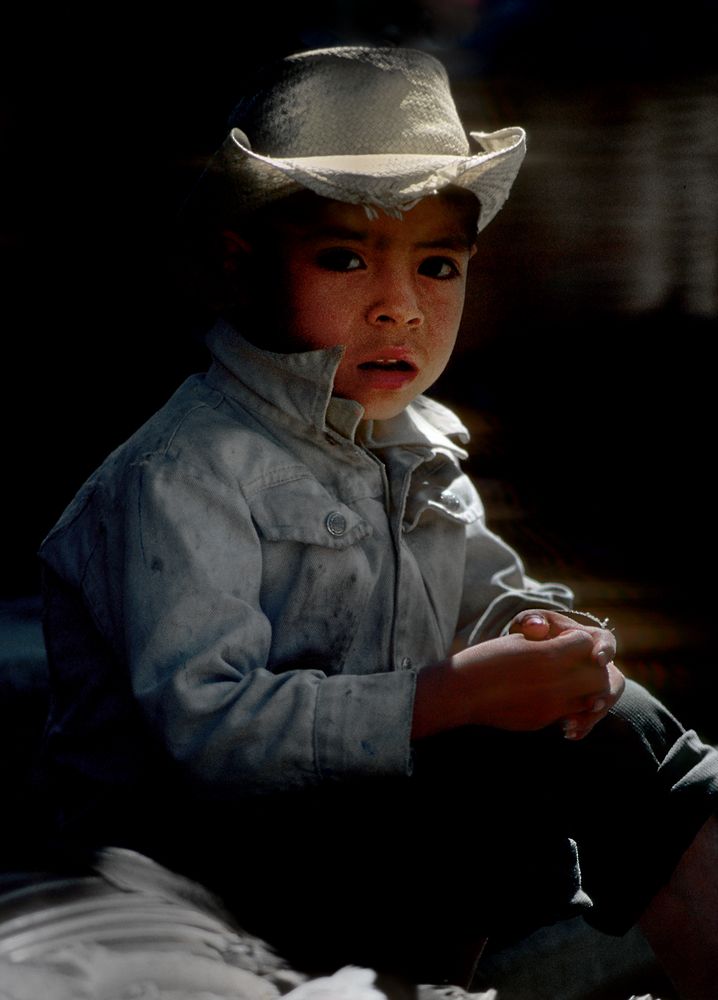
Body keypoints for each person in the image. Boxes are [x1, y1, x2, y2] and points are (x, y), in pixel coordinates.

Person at [38, 46, 718, 997]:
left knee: (619, 727)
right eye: (346, 259)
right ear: (245, 266)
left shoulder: (416, 445)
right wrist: (453, 695)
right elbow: (212, 734)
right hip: (193, 882)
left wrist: (552, 639)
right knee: (487, 748)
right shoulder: (181, 473)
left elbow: (489, 592)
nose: (399, 307)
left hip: (359, 832)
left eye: (438, 265)